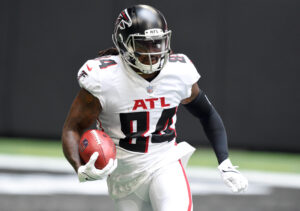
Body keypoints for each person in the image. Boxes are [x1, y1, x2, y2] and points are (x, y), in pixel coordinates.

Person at [62, 4, 248, 211]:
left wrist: (225, 162)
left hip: (164, 163)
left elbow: (207, 114)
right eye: (144, 44)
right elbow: (73, 128)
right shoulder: (103, 78)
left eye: (157, 43)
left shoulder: (178, 72)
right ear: (124, 44)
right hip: (123, 178)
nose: (154, 52)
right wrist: (79, 168)